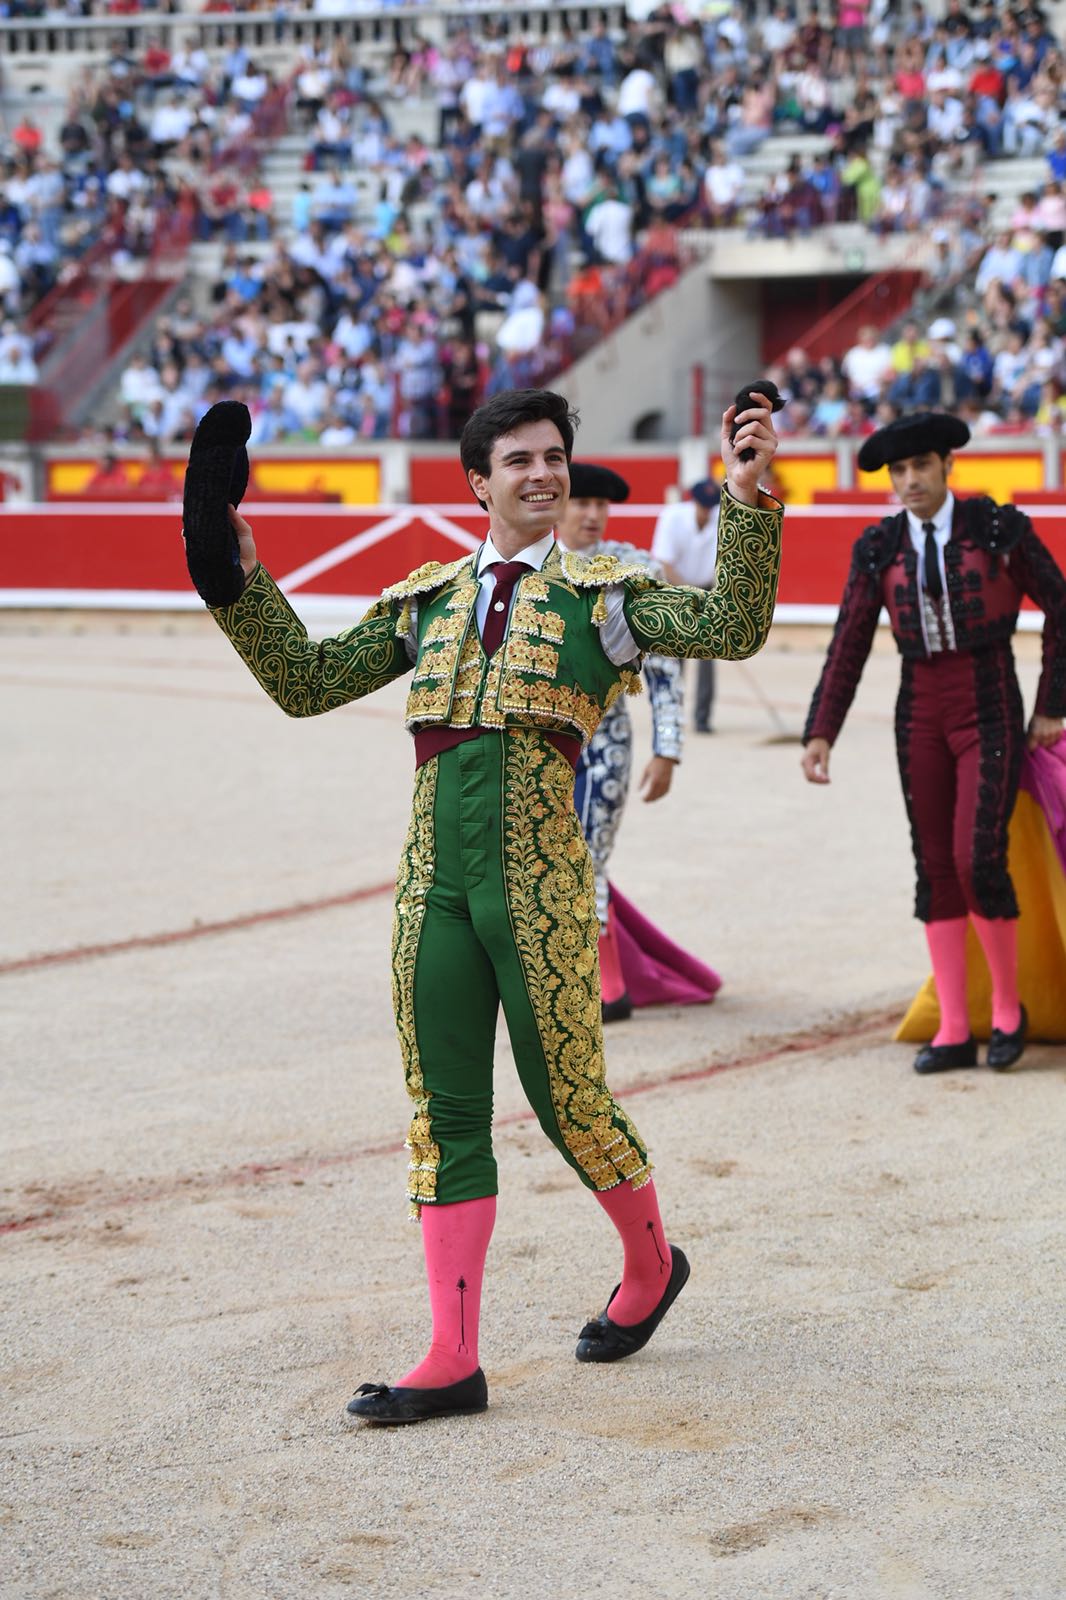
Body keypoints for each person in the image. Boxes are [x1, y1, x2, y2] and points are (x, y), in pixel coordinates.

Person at [182, 387, 783, 1424]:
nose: (543, 474)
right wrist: (236, 578)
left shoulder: (607, 596)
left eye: (554, 456)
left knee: (571, 1103)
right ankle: (451, 1355)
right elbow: (306, 681)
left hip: (543, 892)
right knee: (446, 1111)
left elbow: (732, 624)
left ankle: (651, 1266)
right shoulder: (426, 601)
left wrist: (745, 499)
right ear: (478, 482)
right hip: (435, 891)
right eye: (519, 460)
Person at [801, 411, 1066, 1074]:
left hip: (989, 703)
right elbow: (850, 641)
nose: (909, 480)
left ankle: (1006, 1011)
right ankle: (952, 1026)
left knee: (977, 858)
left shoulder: (997, 528)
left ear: (949, 465)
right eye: (899, 470)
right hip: (918, 710)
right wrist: (821, 730)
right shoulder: (879, 546)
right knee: (934, 865)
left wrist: (1051, 705)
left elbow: (1062, 607)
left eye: (921, 465)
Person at [555, 462, 719, 1023]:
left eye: (601, 506)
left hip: (605, 741)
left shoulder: (634, 570)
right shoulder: (528, 570)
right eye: (582, 503)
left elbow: (665, 669)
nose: (593, 515)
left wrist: (667, 747)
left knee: (587, 856)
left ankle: (607, 984)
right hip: (539, 739)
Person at [651, 479, 722, 733]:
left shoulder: (720, 518)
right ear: (694, 501)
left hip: (706, 589)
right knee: (676, 652)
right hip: (674, 589)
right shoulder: (673, 517)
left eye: (710, 506)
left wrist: (711, 597)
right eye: (703, 506)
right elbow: (665, 564)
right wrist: (689, 594)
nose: (706, 511)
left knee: (707, 653)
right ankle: (672, 714)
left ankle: (702, 718)